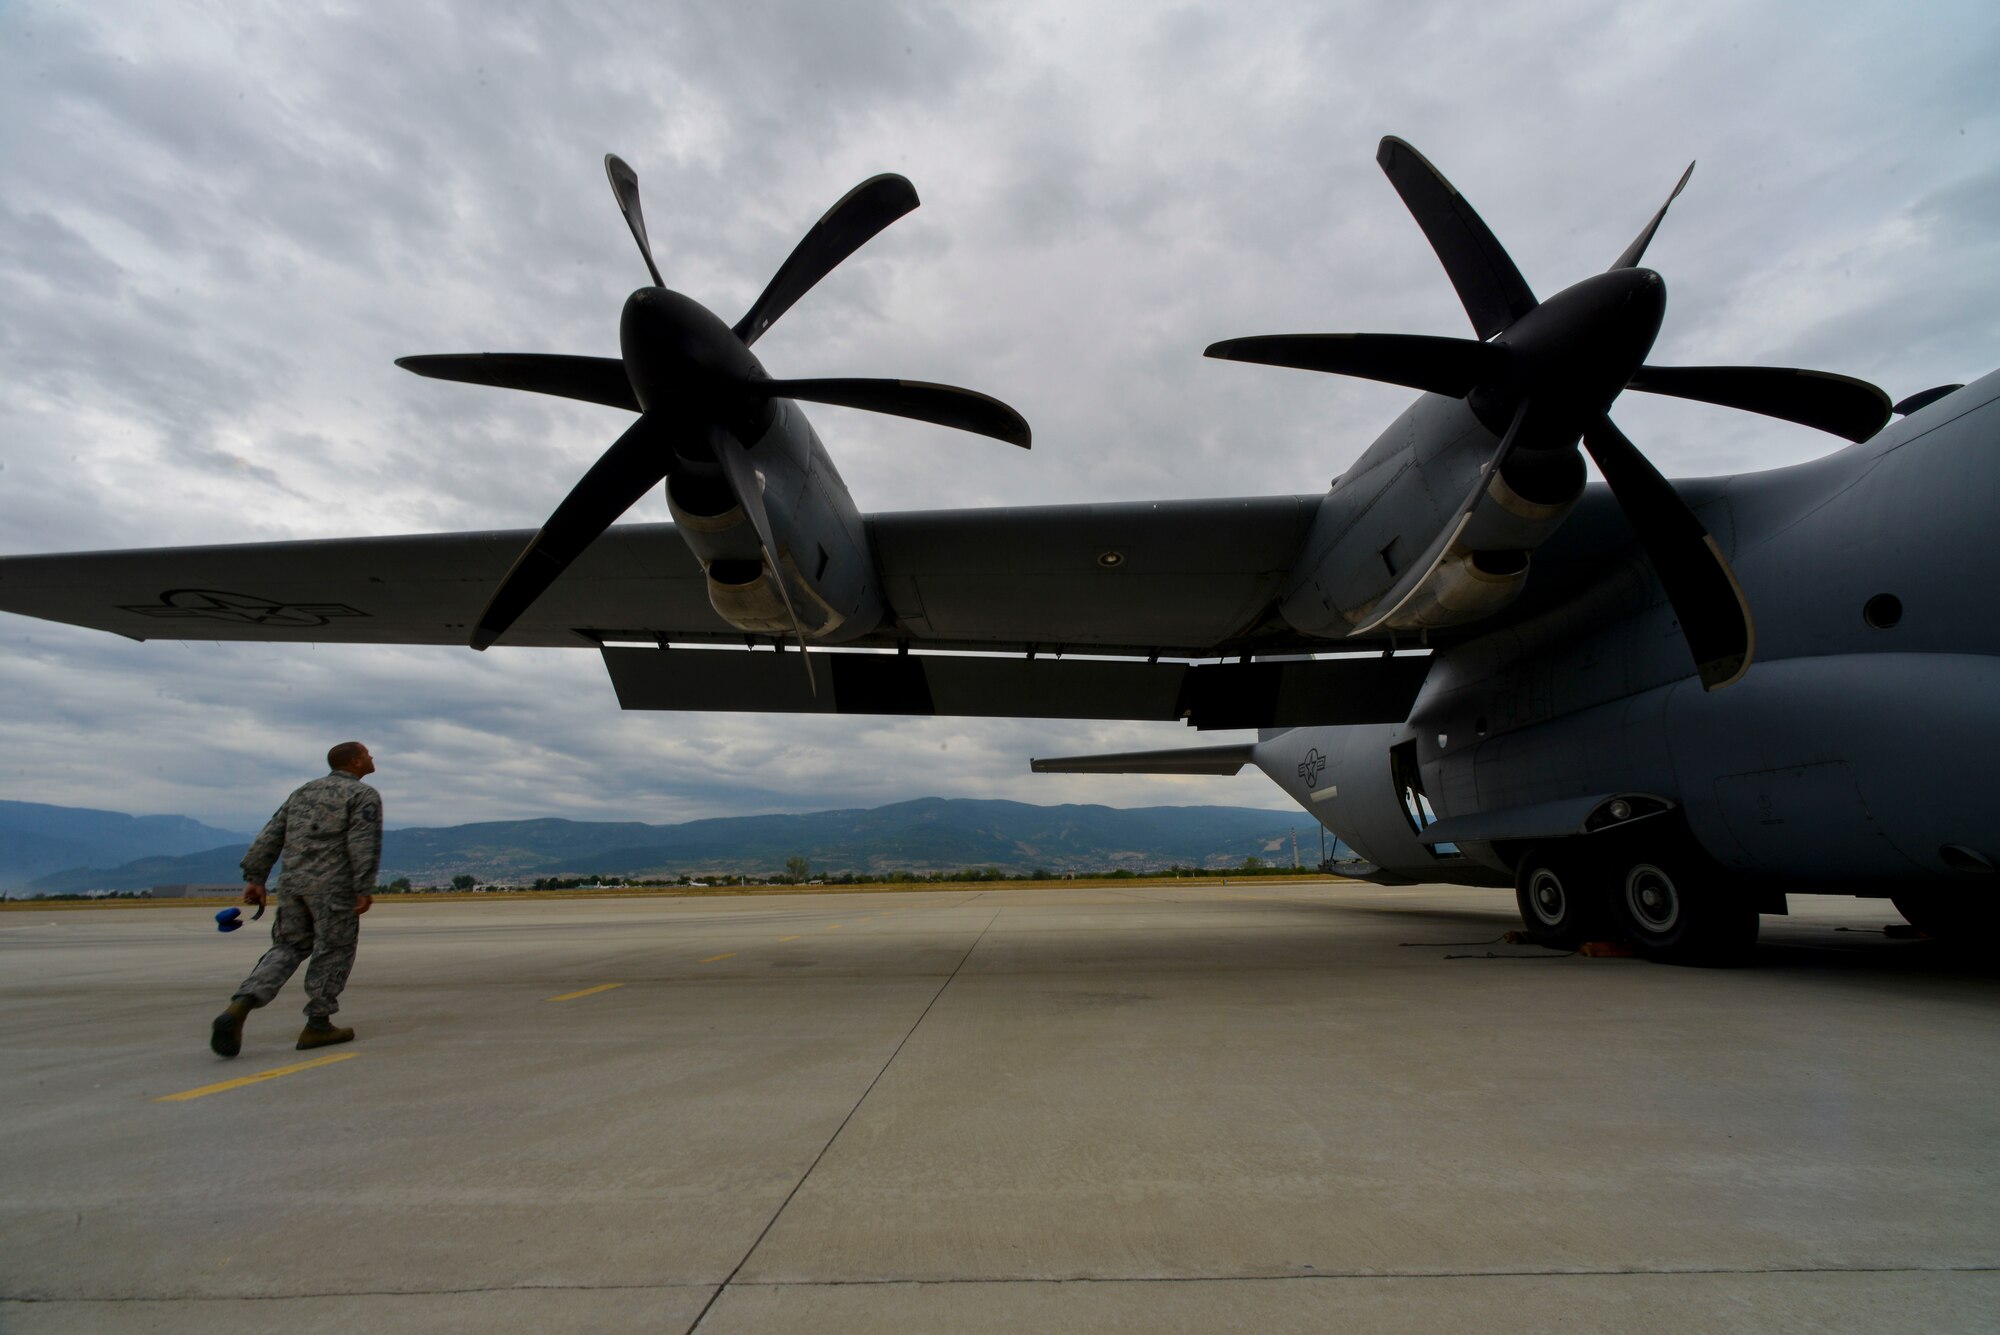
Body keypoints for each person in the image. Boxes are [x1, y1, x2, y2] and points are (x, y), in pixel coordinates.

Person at [209, 742, 382, 1058]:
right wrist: (363, 885)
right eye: (367, 754)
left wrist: (256, 878)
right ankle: (318, 1022)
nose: (372, 758)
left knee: (287, 947)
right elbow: (362, 842)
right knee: (334, 950)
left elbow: (271, 834)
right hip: (334, 887)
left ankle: (240, 1005)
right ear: (355, 761)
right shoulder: (362, 795)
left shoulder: (302, 792)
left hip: (292, 886)